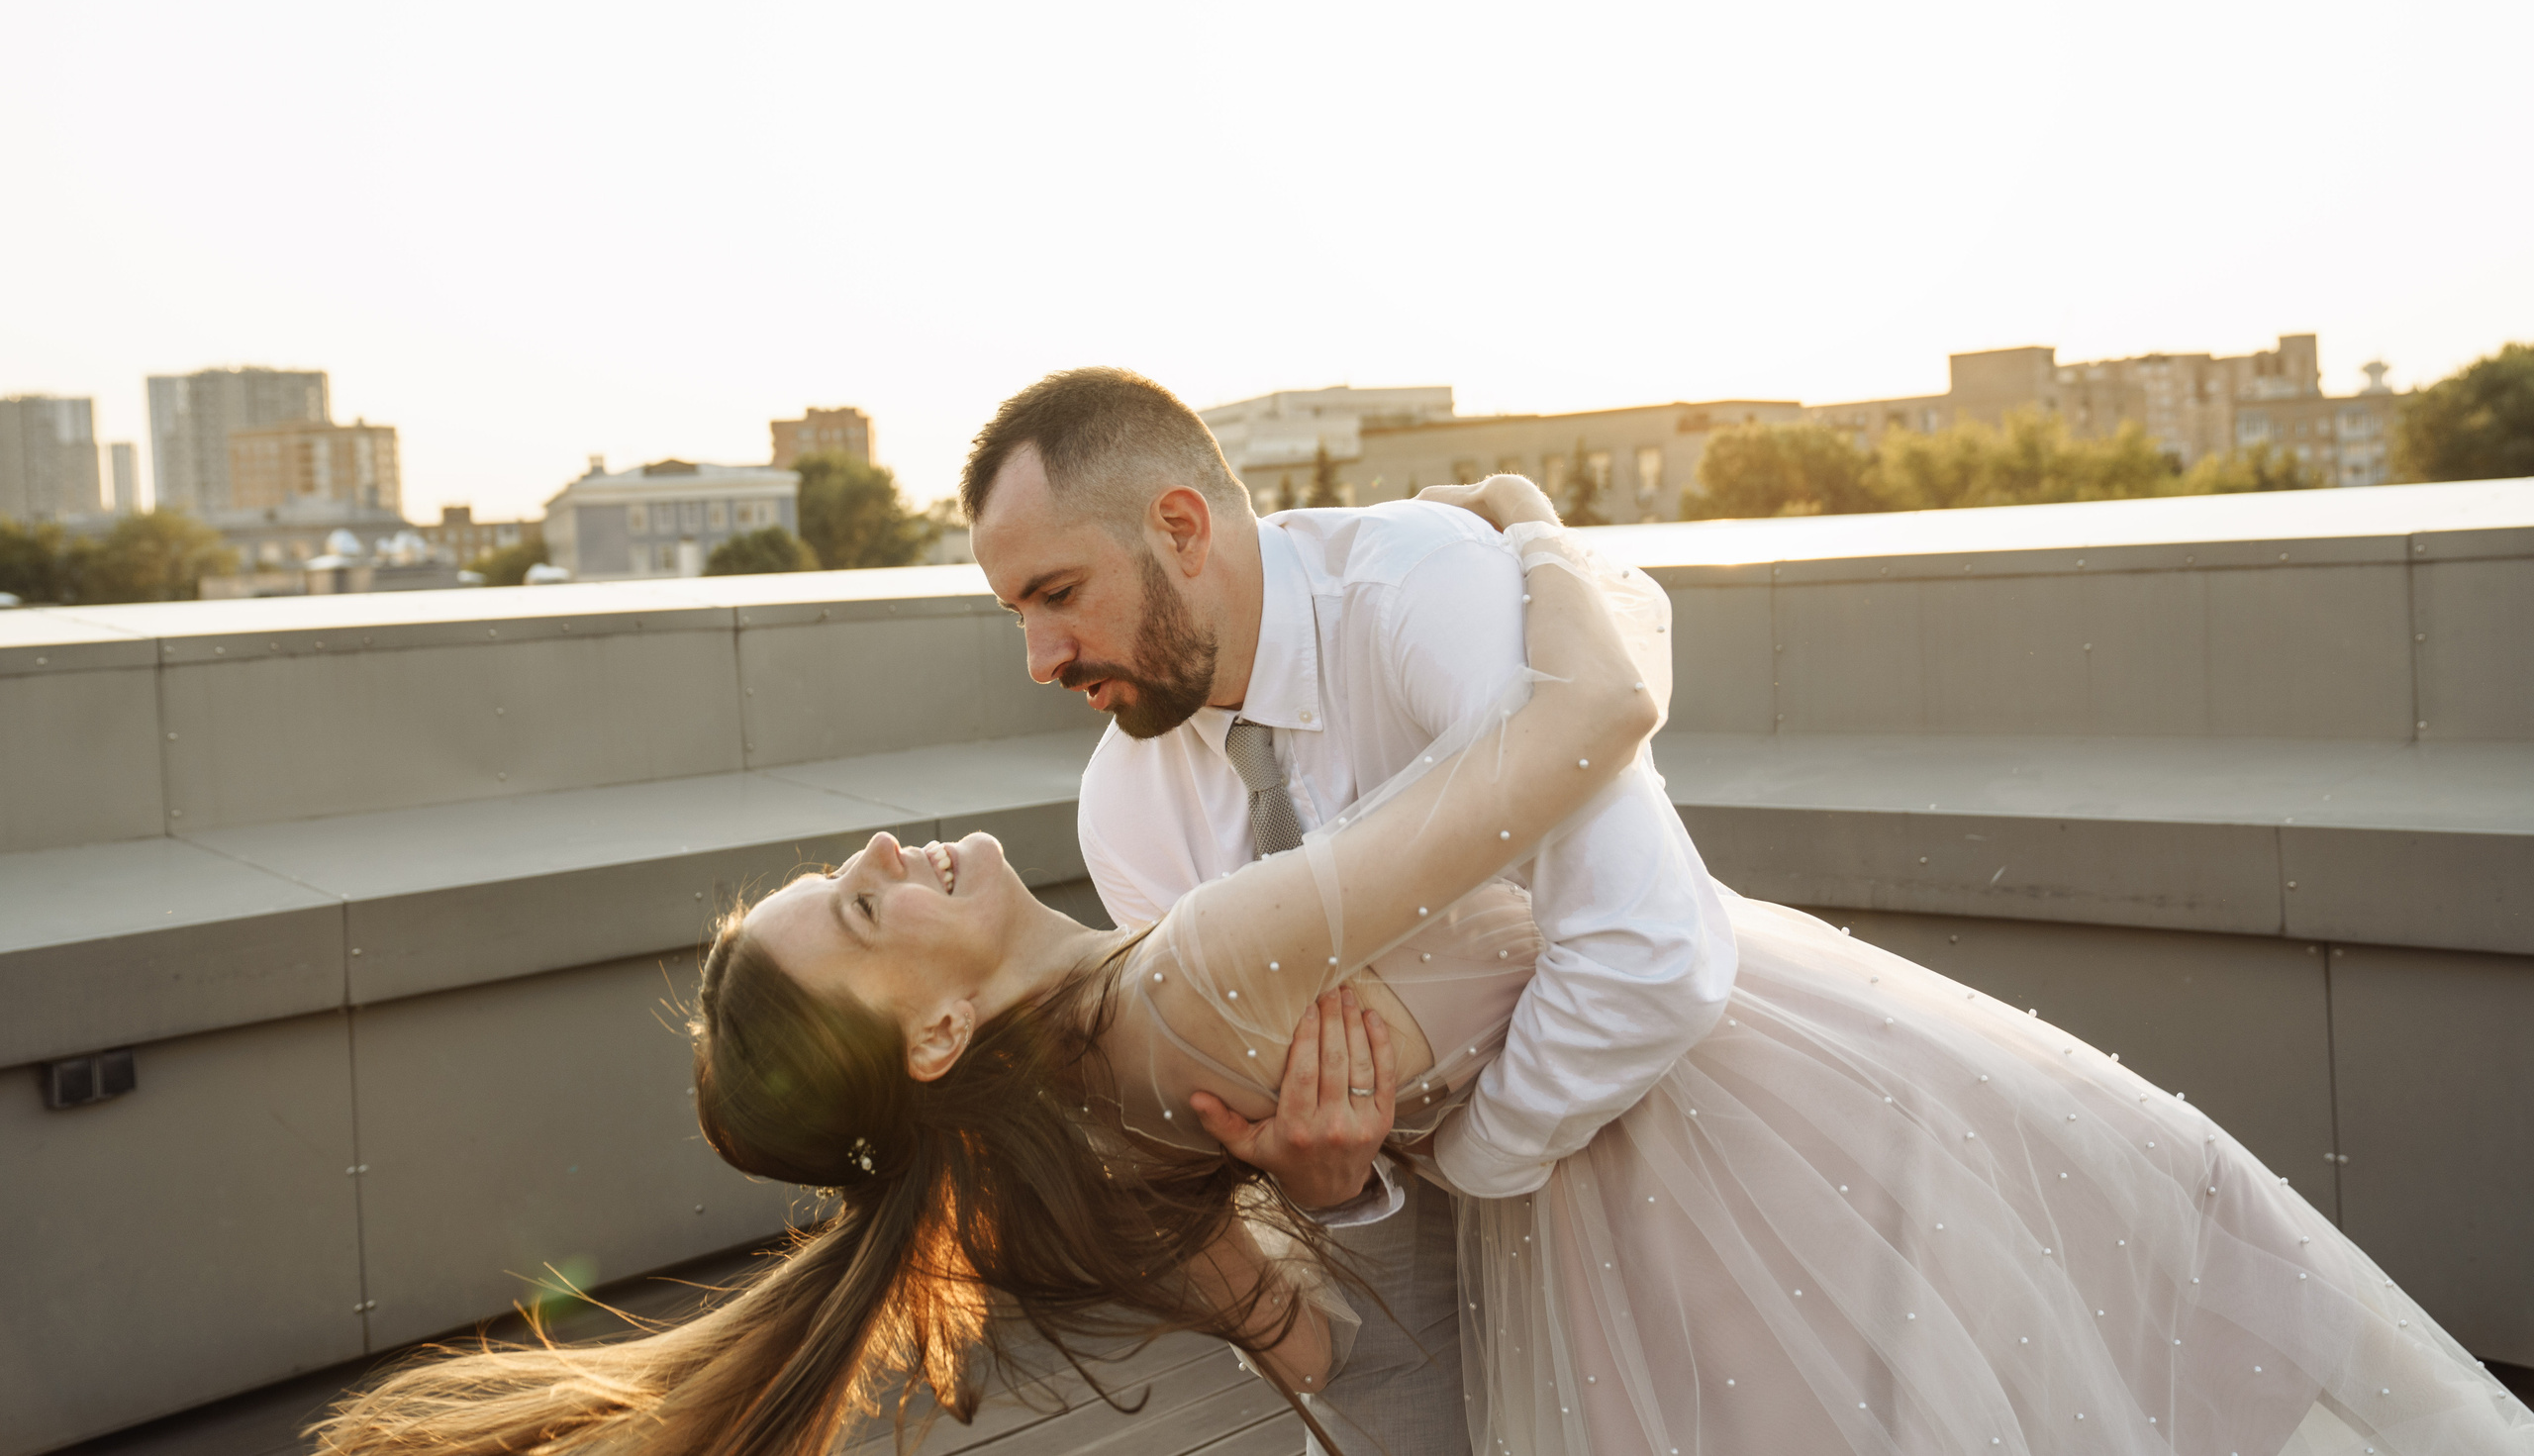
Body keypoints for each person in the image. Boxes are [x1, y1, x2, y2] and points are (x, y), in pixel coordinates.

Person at [315, 472, 2530, 1456]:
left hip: (1642, 1267)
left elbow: (1323, 1375)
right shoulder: (1184, 976)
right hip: (1760, 1156)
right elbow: (1582, 733)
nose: (892, 848)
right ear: (933, 1022)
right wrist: (1544, 540)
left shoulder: (1092, 1083)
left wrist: (1354, 1183)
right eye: (869, 902)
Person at [961, 367, 1738, 1454]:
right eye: (1017, 613)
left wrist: (1472, 1160)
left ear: (1180, 527)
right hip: (1413, 1261)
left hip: (1669, 1157)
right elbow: (1267, 1113)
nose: (1040, 660)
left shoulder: (1423, 589)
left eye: (1057, 594)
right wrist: (1331, 1182)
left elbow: (1646, 956)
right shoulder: (1124, 804)